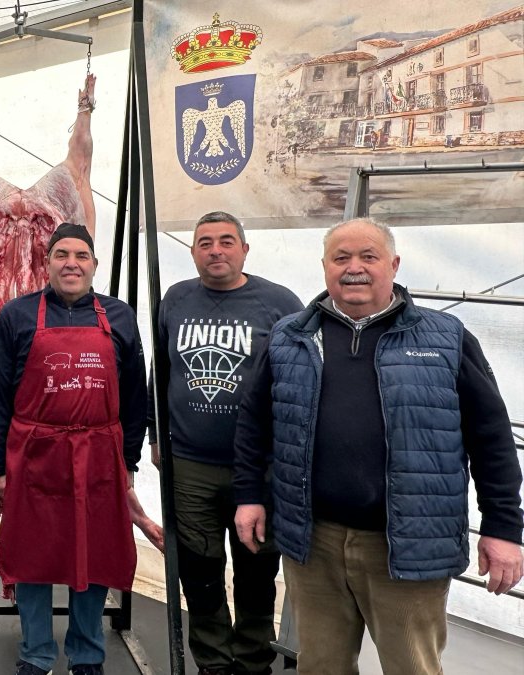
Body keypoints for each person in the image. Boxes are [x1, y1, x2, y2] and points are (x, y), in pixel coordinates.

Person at [234, 218, 524, 675]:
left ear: (393, 264)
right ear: (325, 266)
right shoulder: (289, 337)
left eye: (368, 257)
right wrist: (250, 494)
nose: (354, 268)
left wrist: (504, 526)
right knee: (321, 667)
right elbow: (254, 425)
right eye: (341, 257)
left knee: (411, 666)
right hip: (314, 543)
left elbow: (492, 439)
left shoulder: (445, 338)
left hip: (407, 545)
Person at [0, 223, 147, 675]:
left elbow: (136, 396)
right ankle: (36, 653)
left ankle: (86, 654)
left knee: (94, 557)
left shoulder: (119, 317)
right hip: (34, 455)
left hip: (98, 456)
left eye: (80, 255)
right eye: (61, 254)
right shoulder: (17, 315)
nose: (71, 263)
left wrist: (127, 459)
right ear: (48, 262)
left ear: (94, 265)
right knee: (32, 558)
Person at [148, 212, 302, 675]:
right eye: (205, 242)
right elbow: (163, 373)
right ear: (193, 251)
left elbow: (298, 382)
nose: (216, 250)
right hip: (190, 462)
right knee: (199, 567)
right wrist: (157, 436)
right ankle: (214, 661)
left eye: (226, 241)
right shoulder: (175, 299)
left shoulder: (279, 303)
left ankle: (254, 658)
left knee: (257, 567)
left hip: (257, 466)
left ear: (244, 250)